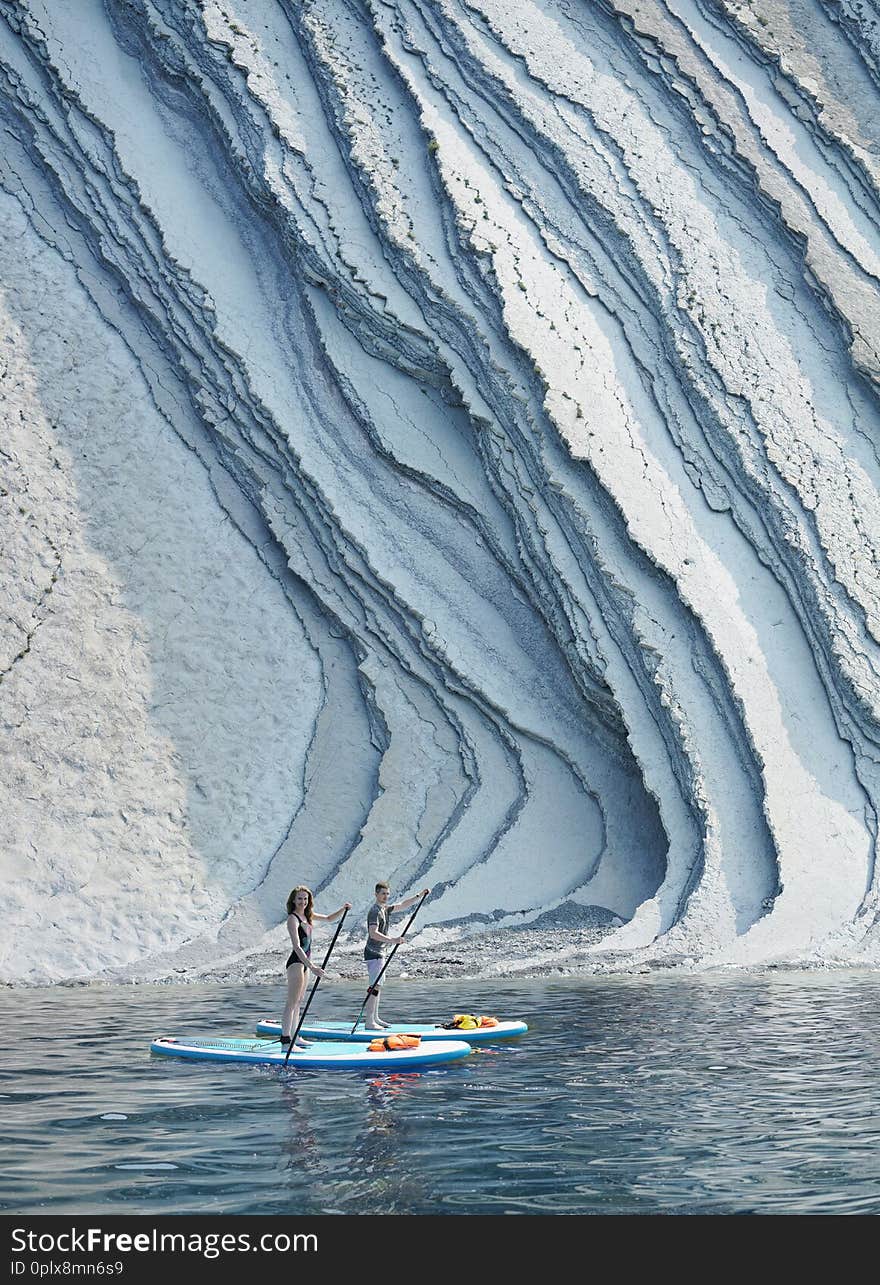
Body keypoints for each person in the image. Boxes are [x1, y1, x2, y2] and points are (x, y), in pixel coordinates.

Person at [282, 886, 351, 1049]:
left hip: (305, 964)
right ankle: (285, 1042)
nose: (303, 902)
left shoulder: (308, 915)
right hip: (297, 962)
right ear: (293, 900)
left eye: (305, 898)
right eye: (299, 898)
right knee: (291, 1003)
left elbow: (328, 918)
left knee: (299, 1002)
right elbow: (297, 947)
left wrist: (343, 909)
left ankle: (295, 1036)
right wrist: (312, 966)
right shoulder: (293, 919)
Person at [363, 882, 430, 1029]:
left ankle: (375, 1018)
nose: (385, 896)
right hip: (373, 952)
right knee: (374, 987)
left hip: (381, 952)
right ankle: (369, 1021)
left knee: (378, 986)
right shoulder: (374, 911)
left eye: (387, 894)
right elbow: (373, 933)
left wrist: (419, 895)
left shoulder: (385, 909)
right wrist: (393, 940)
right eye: (383, 894)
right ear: (376, 894)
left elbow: (402, 905)